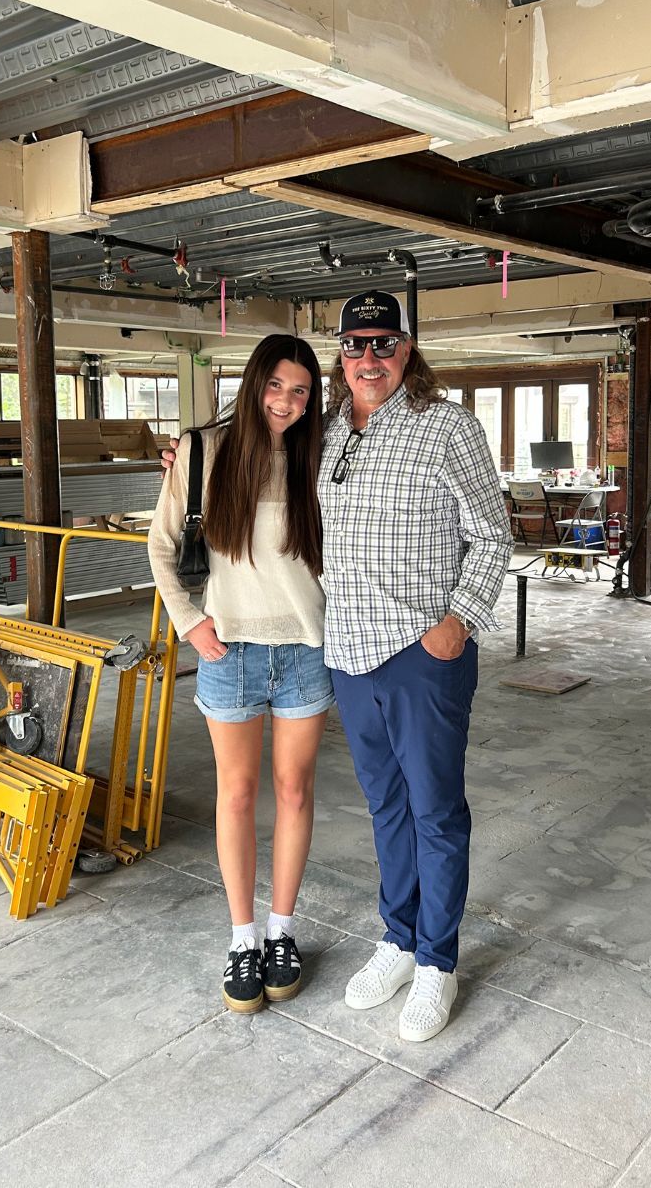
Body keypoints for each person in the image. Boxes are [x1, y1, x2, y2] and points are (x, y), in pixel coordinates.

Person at [322, 290, 513, 1043]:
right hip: (349, 651)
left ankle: (437, 960)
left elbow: (492, 534)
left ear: (407, 350)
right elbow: (248, 448)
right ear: (340, 355)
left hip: (420, 653)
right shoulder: (329, 430)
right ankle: (398, 940)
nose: (369, 358)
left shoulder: (448, 426)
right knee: (386, 808)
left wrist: (458, 621)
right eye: (355, 345)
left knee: (434, 811)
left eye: (384, 343)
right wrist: (186, 457)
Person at [148, 334, 332, 1016]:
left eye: (301, 391)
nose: (286, 401)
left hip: (305, 649)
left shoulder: (321, 456)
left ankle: (282, 931)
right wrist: (190, 622)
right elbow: (161, 545)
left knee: (293, 791)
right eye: (276, 385)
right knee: (236, 794)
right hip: (230, 653)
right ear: (254, 384)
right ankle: (242, 939)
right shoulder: (203, 452)